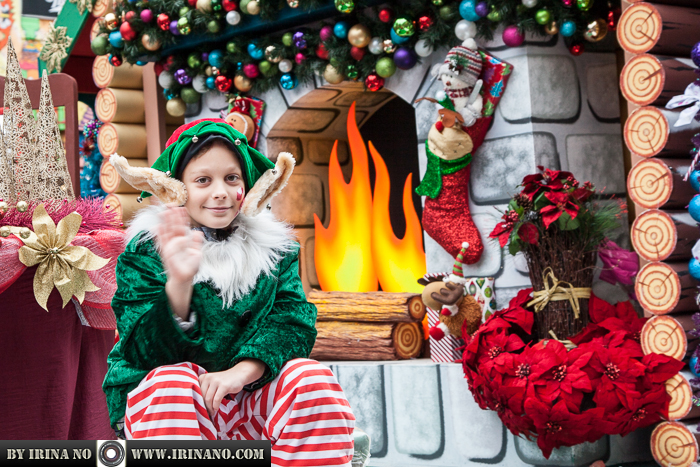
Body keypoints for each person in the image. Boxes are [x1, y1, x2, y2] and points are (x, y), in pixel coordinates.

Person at [103, 119, 355, 465]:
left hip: (250, 401)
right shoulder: (145, 252)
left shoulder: (275, 251)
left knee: (308, 376)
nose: (220, 192)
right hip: (170, 410)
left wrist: (242, 372)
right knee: (173, 381)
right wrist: (178, 284)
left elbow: (293, 321)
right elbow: (141, 349)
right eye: (203, 180)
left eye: (231, 178)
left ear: (247, 185)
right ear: (178, 188)